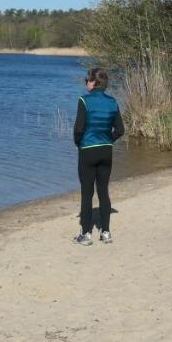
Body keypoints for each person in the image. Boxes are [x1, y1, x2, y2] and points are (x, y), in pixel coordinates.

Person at [72, 67, 124, 245]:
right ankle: (106, 232)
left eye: (87, 80)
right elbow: (120, 130)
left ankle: (85, 234)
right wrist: (107, 139)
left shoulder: (84, 101)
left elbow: (78, 129)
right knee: (103, 191)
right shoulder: (113, 102)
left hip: (88, 150)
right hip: (105, 151)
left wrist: (78, 143)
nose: (86, 83)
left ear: (94, 83)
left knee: (87, 193)